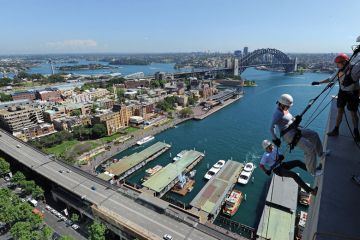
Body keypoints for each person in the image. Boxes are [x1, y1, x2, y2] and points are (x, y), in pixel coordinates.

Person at [270, 93, 326, 176]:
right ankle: (313, 172)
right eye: (287, 106)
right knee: (310, 149)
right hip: (289, 135)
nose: (288, 107)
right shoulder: (277, 114)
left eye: (289, 106)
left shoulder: (284, 109)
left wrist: (296, 119)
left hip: (294, 128)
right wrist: (275, 139)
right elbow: (271, 127)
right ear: (281, 104)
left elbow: (288, 120)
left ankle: (321, 154)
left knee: (314, 134)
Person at [312, 53, 360, 142]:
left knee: (353, 113)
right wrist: (319, 82)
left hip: (353, 93)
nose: (337, 65)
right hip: (343, 92)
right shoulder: (339, 71)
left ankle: (356, 131)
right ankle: (336, 129)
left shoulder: (355, 68)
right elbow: (331, 79)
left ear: (344, 62)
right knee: (340, 111)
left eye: (338, 63)